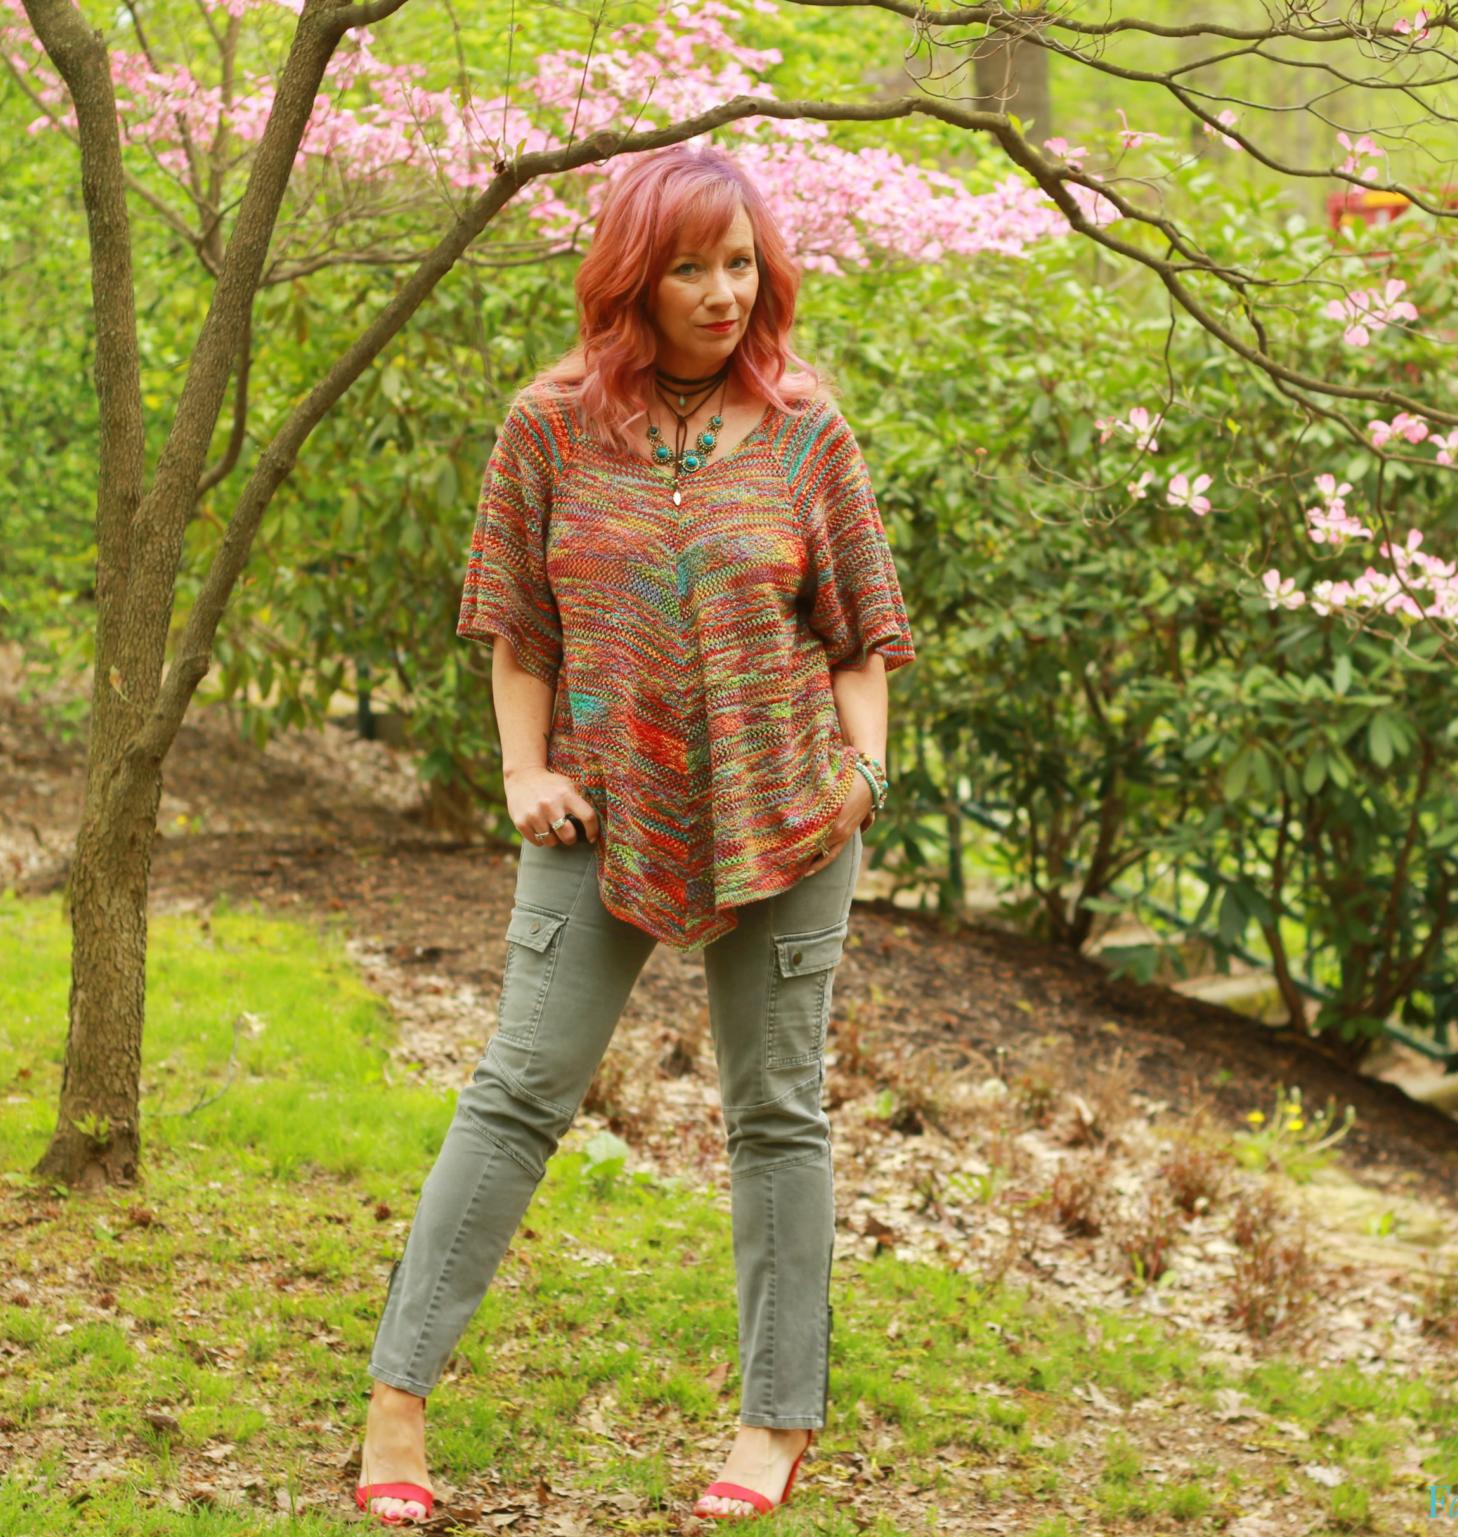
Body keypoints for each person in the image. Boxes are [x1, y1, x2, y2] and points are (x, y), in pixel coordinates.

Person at [354, 143, 917, 1526]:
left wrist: (863, 773)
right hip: (595, 812)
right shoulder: (546, 425)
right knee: (516, 1088)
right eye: (691, 266)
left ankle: (777, 1418)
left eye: (743, 265)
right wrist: (522, 770)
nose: (724, 293)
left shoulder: (805, 426)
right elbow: (518, 629)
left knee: (777, 1115)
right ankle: (396, 1403)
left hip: (788, 819)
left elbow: (862, 633)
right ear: (632, 276)